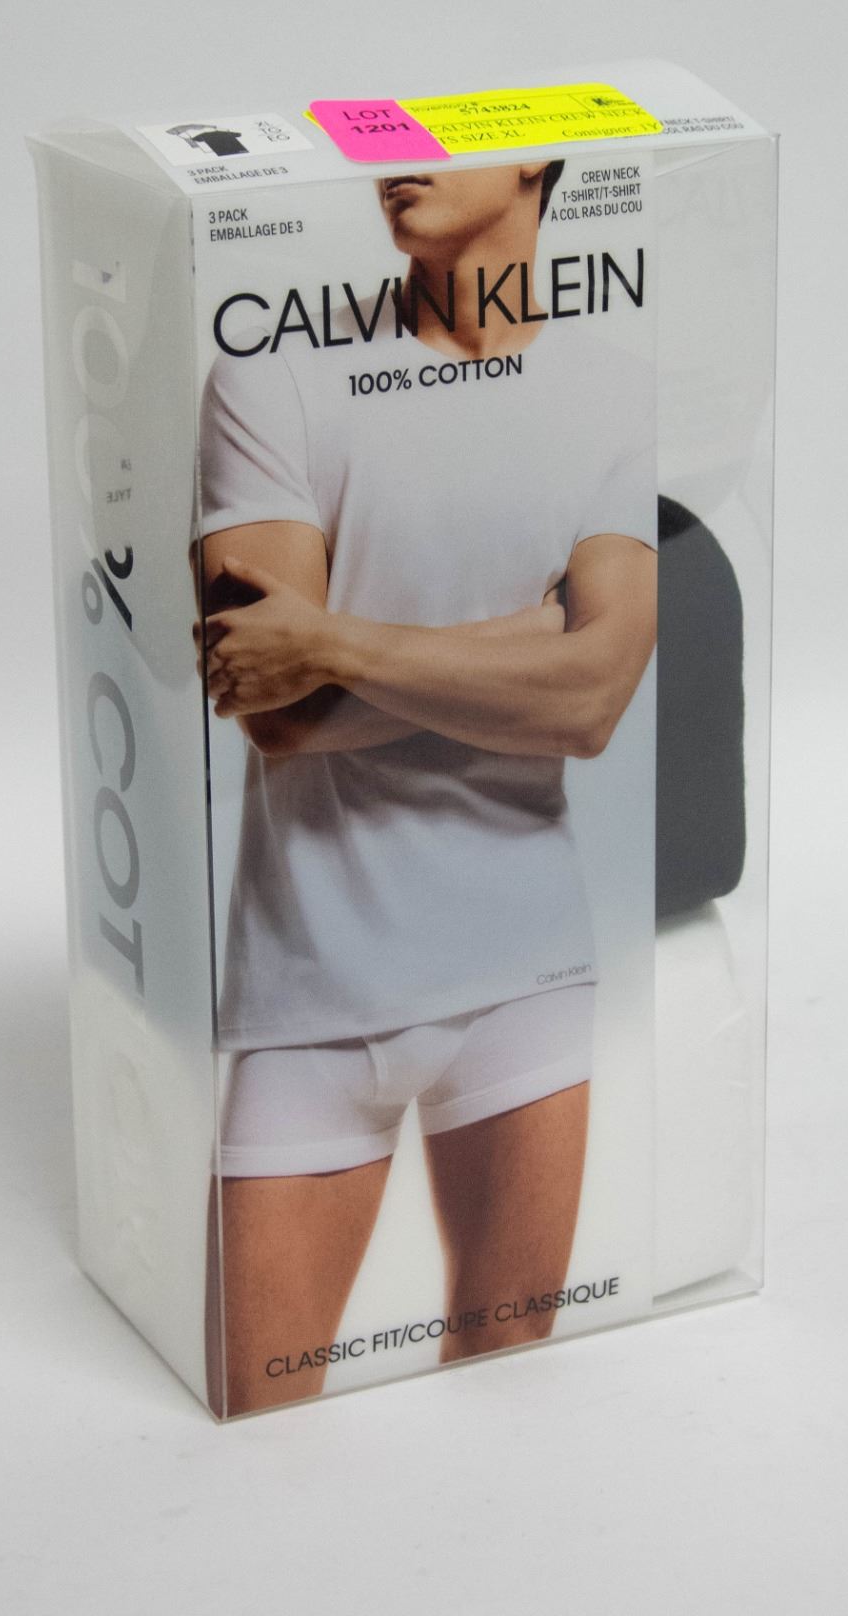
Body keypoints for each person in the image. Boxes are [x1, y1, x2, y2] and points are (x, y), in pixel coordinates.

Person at [192, 158, 657, 1414]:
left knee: (508, 1403)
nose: (397, 167)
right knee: (252, 1417)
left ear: (535, 161)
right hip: (310, 981)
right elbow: (274, 711)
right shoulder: (274, 371)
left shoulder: (613, 388)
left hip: (528, 969)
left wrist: (334, 640)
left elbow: (593, 704)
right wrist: (530, 643)